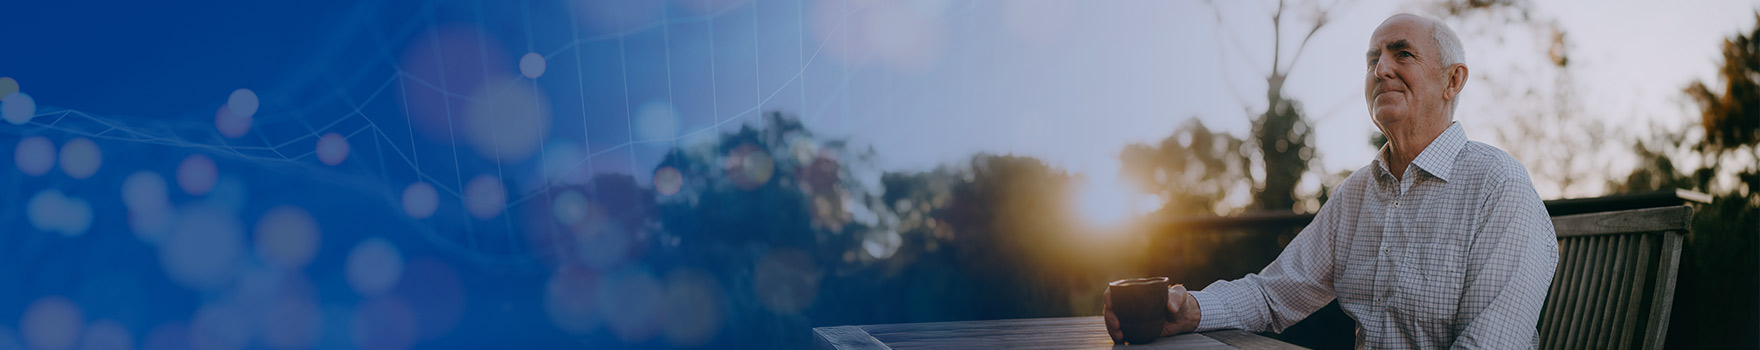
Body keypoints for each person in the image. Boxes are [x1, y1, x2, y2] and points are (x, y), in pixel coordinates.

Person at [1104, 13, 1559, 349]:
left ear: (1453, 80)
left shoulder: (1498, 185)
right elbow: (1273, 294)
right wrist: (1188, 312)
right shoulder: (1357, 193)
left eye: (1402, 53)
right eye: (1372, 60)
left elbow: (1492, 343)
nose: (1381, 69)